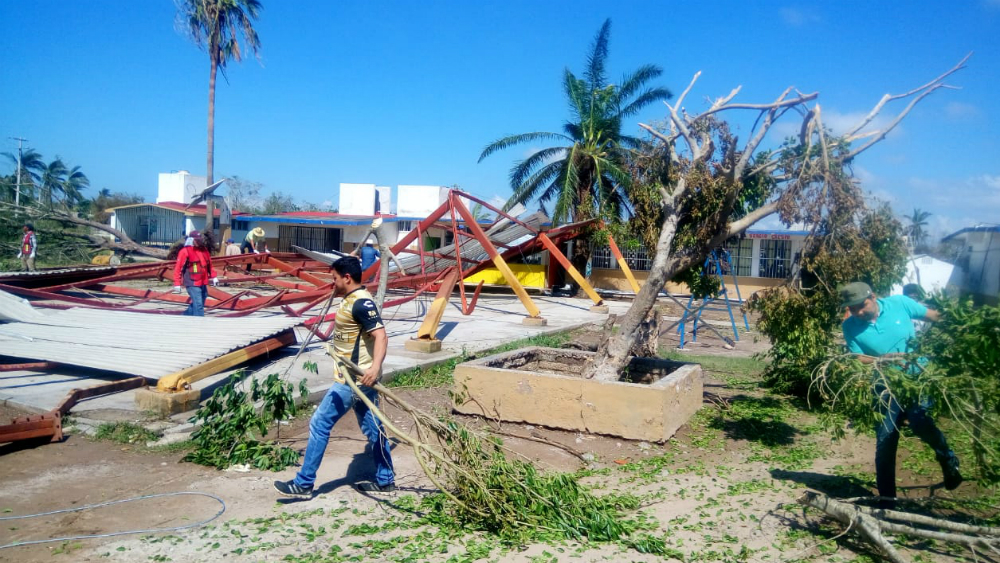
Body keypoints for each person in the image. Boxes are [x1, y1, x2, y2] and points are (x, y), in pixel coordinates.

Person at [274, 256, 395, 498]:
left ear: (347, 278)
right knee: (374, 429)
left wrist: (374, 368)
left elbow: (381, 336)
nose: (333, 283)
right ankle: (385, 479)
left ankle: (304, 483)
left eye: (335, 279)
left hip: (352, 381)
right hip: (360, 380)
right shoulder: (350, 299)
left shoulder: (361, 303)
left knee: (320, 423)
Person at [839, 281, 962, 501]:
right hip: (885, 385)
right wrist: (880, 359)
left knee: (920, 422)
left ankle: (948, 459)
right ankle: (887, 502)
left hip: (918, 379)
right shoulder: (849, 327)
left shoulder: (901, 304)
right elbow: (857, 357)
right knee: (885, 439)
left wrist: (961, 328)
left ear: (873, 297)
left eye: (861, 305)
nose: (857, 312)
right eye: (852, 308)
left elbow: (934, 317)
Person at [173, 231, 218, 316]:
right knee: (198, 304)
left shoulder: (204, 250)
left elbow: (209, 265)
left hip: (203, 282)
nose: (199, 242)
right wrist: (177, 283)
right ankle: (199, 324)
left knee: (200, 301)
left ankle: (185, 316)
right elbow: (178, 268)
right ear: (191, 240)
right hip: (192, 282)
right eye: (197, 240)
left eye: (200, 240)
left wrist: (214, 276)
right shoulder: (185, 251)